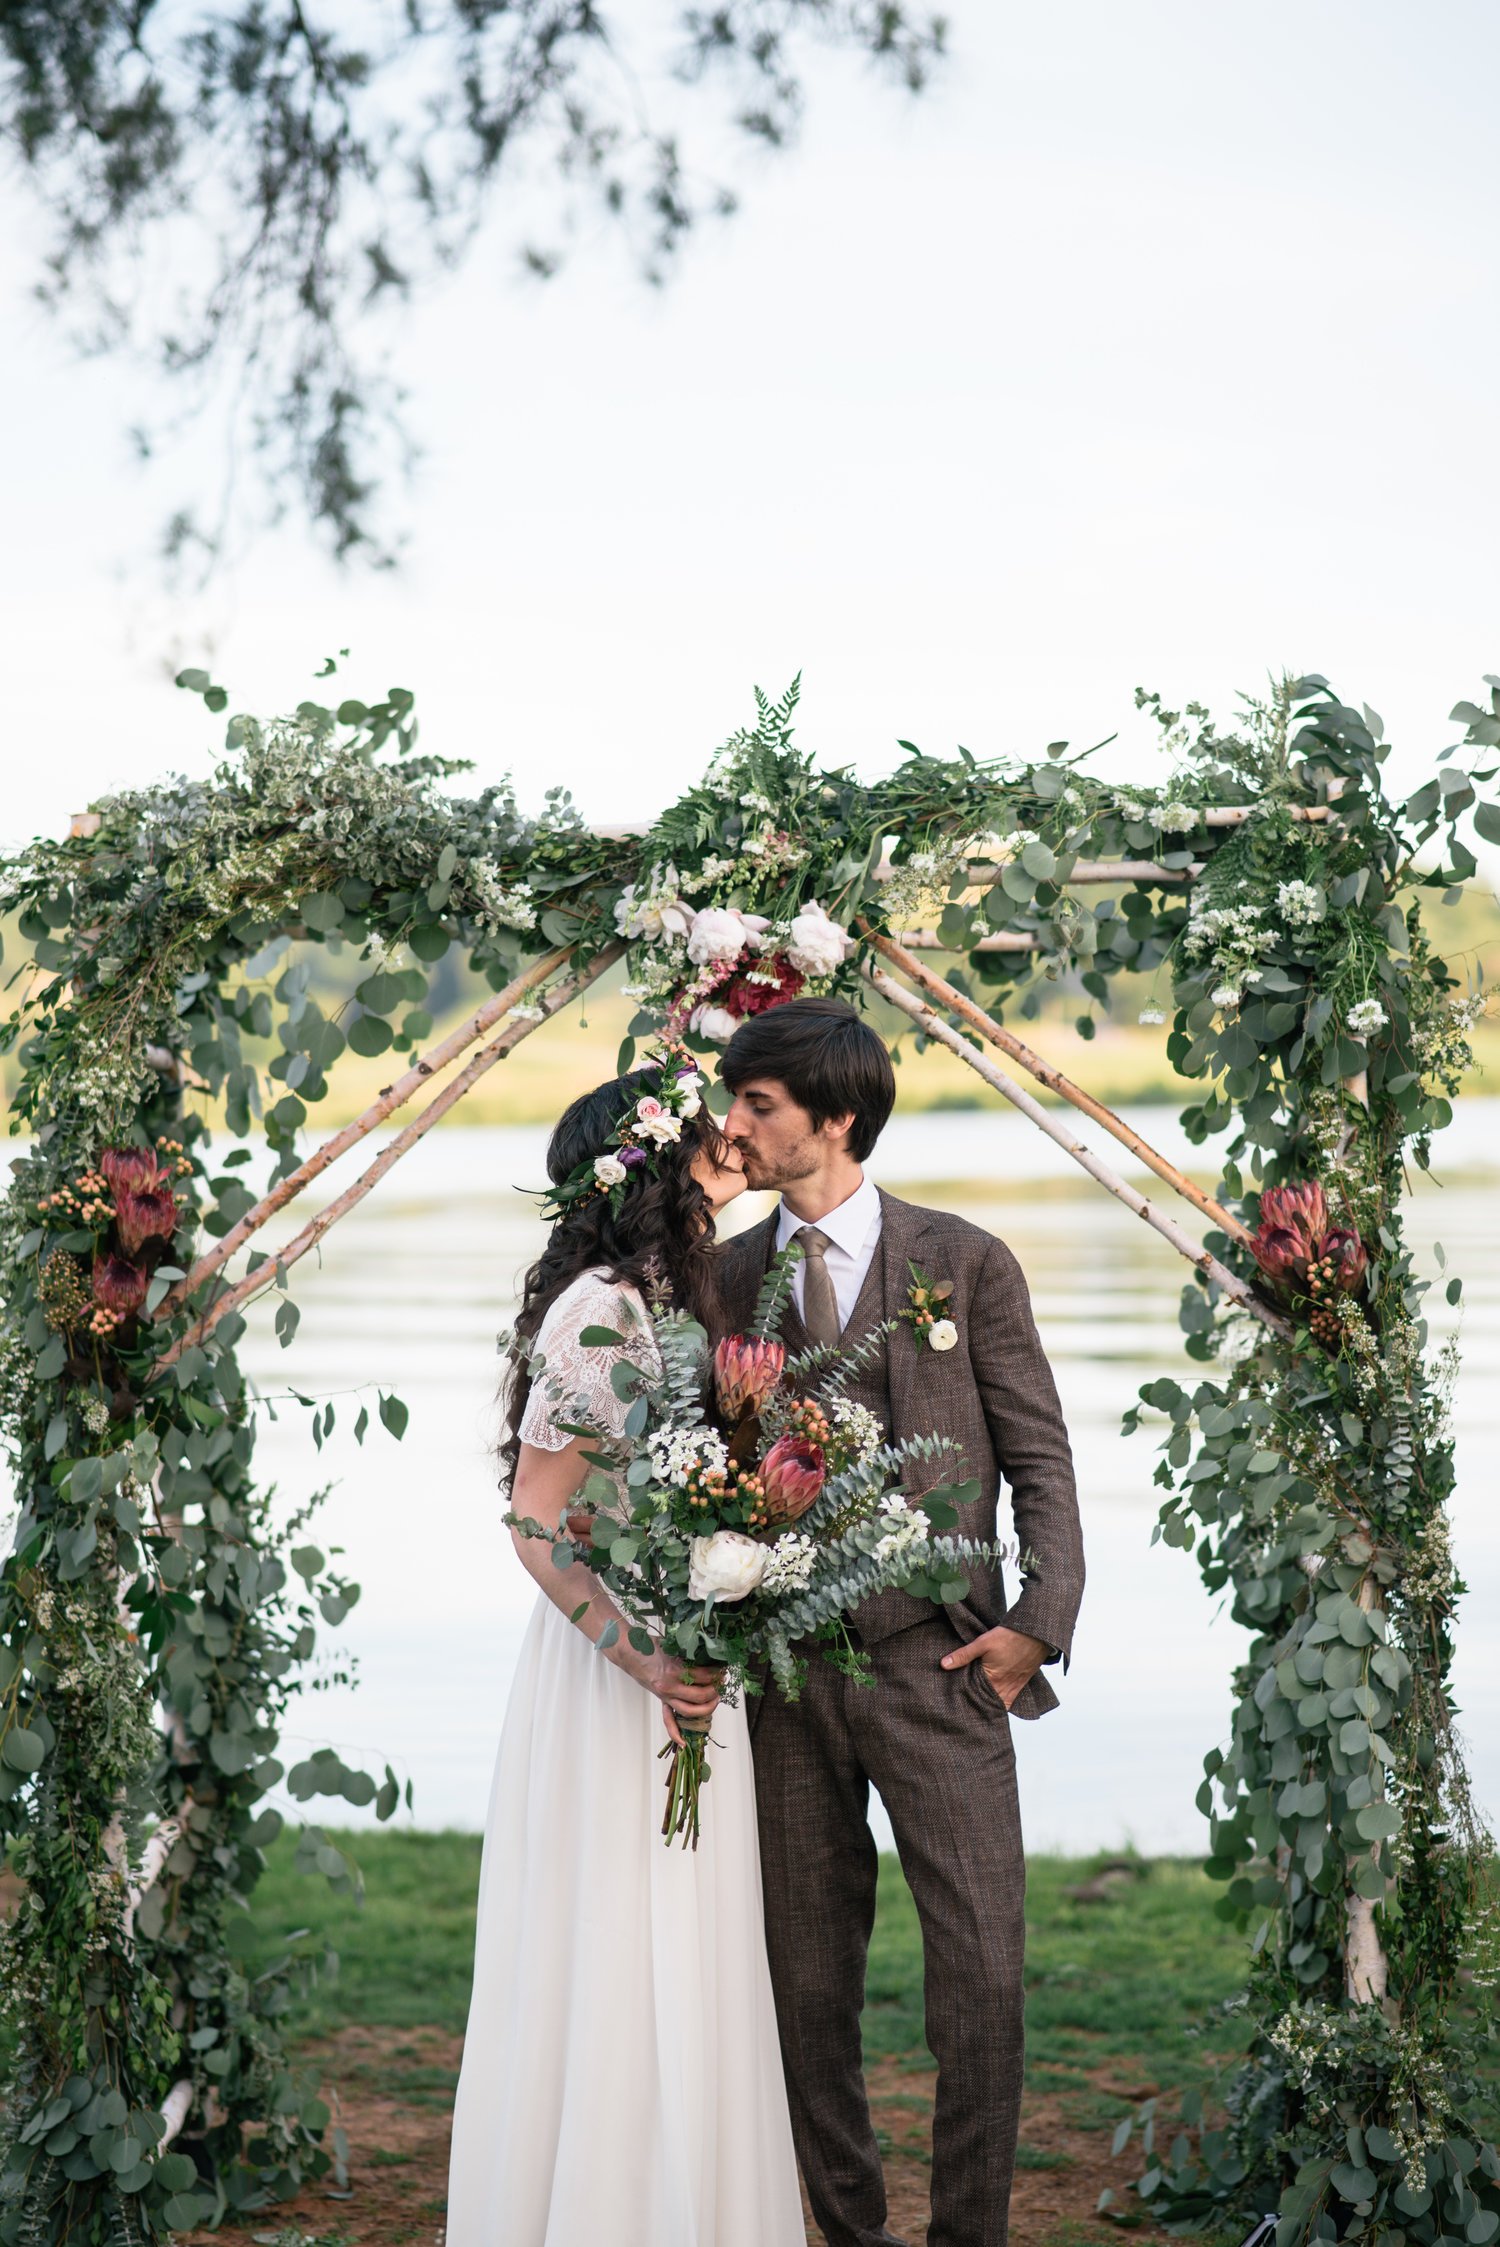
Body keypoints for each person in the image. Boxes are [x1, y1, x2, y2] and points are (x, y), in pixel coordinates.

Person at [717, 996, 1085, 2247]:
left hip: (946, 1667)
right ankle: (847, 2233)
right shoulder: (722, 1276)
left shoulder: (967, 1260)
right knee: (805, 1987)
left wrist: (1039, 1620)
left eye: (757, 1106)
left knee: (982, 1978)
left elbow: (1043, 1459)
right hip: (785, 1681)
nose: (736, 1127)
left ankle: (967, 2235)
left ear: (833, 1117)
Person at [445, 1061, 805, 2247]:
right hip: (621, 1681)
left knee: (685, 1956)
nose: (730, 1154)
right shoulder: (601, 1306)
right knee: (618, 1952)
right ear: (655, 1168)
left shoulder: (652, 1299)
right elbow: (539, 1523)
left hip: (679, 1657)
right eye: (708, 1141)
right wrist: (642, 1656)